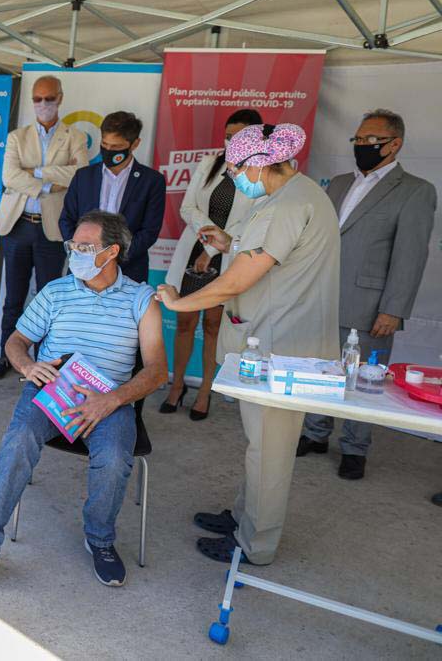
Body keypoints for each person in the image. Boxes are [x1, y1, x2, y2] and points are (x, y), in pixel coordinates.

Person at [0, 211, 167, 600]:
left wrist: (111, 400)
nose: (75, 253)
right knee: (18, 439)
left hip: (109, 398)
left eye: (85, 247)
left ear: (111, 252)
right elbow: (16, 341)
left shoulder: (141, 299)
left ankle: (99, 538)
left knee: (115, 457)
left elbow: (157, 371)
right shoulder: (56, 291)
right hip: (53, 389)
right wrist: (28, 366)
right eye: (73, 246)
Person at [155, 123, 340, 566]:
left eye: (236, 168)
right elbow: (272, 254)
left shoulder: (286, 204)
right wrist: (231, 241)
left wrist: (179, 304)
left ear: (258, 164)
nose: (233, 175)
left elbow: (235, 281)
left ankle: (254, 545)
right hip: (276, 337)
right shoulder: (296, 195)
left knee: (270, 451)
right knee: (261, 446)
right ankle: (243, 517)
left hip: (282, 345)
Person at [297, 109, 437, 481]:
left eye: (370, 140)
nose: (362, 146)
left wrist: (394, 309)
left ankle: (354, 448)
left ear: (394, 144)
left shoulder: (415, 191)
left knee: (362, 380)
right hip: (324, 295)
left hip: (371, 304)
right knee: (320, 369)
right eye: (358, 140)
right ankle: (315, 433)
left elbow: (410, 256)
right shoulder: (339, 183)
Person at [59, 110, 166, 441]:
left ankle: (125, 414)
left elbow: (150, 230)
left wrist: (114, 259)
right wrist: (83, 255)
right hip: (83, 274)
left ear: (134, 144)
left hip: (128, 272)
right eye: (104, 144)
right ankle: (66, 406)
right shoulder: (84, 177)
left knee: (131, 350)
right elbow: (67, 220)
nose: (108, 151)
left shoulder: (151, 181)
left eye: (116, 145)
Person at [162, 109, 263, 420]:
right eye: (228, 135)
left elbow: (253, 222)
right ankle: (176, 385)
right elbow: (188, 207)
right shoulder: (209, 163)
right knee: (184, 323)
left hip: (231, 257)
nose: (232, 141)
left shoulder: (261, 173)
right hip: (195, 250)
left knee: (213, 326)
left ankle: (206, 390)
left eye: (240, 136)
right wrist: (208, 242)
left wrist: (216, 249)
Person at [0, 75, 88, 379]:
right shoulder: (17, 137)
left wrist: (37, 170)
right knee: (13, 297)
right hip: (17, 226)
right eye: (37, 99)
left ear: (60, 98)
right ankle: (6, 355)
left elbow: (80, 173)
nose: (42, 104)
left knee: (47, 299)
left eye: (48, 98)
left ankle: (44, 361)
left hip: (51, 230)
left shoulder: (76, 137)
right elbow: (9, 177)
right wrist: (48, 185)